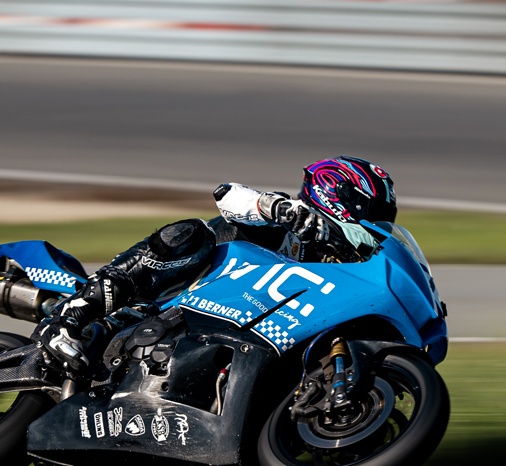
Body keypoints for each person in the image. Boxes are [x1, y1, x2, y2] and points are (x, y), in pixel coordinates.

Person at [35, 156, 397, 372]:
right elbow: (227, 195)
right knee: (190, 233)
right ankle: (70, 317)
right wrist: (278, 208)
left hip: (228, 333)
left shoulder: (337, 266)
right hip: (167, 299)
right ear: (339, 194)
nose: (376, 225)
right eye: (374, 213)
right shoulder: (286, 215)